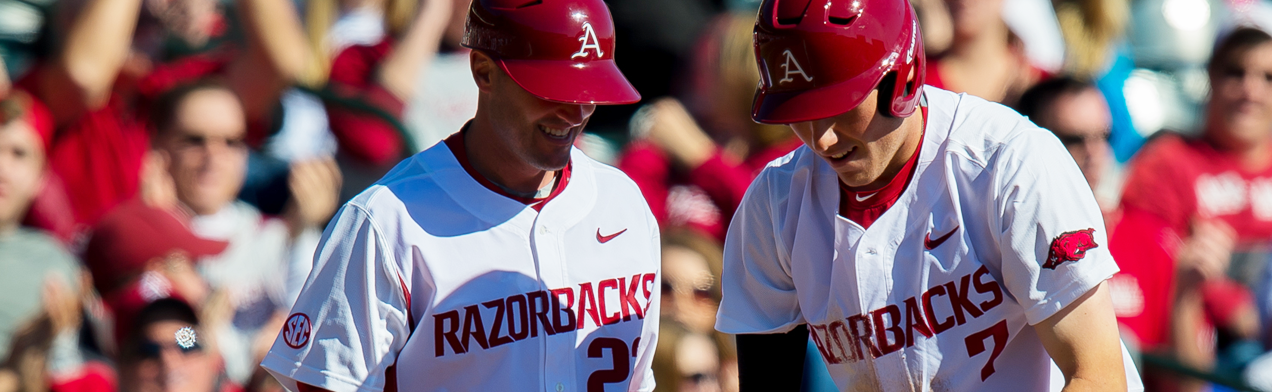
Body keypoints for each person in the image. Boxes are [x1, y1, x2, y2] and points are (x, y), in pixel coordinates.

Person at [714, 0, 1141, 390]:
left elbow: (1098, 375)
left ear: (902, 77)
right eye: (799, 113)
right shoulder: (775, 205)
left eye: (840, 106)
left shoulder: (1009, 164)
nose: (820, 139)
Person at [261, 0, 661, 391]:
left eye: (587, 91)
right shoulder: (386, 219)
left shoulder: (623, 202)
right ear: (483, 72)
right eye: (552, 92)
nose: (574, 113)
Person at [1110, 26, 1272, 392]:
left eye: (1267, 77)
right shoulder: (1165, 163)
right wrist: (1225, 300)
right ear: (1211, 78)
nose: (1251, 90)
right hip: (1189, 351)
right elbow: (1146, 264)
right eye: (1236, 72)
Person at [145, 81, 340, 383]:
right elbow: (152, 345)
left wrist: (304, 229)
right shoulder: (134, 241)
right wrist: (203, 334)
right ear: (160, 148)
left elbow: (314, 334)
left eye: (231, 142)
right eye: (194, 140)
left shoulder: (278, 235)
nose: (213, 156)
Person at [1015, 76, 1116, 215]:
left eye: (1103, 136)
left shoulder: (1121, 228)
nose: (1092, 153)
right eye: (1073, 140)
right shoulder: (1001, 223)